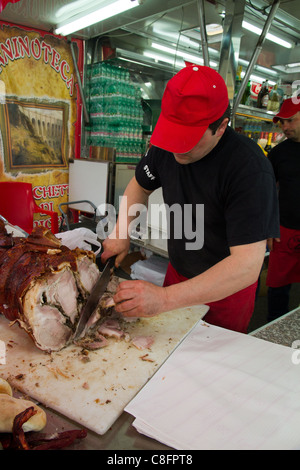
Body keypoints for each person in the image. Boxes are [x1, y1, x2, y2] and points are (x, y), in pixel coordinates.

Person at [102, 65, 280, 333]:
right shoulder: (165, 148)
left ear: (221, 127)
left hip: (225, 291)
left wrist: (163, 299)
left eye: (186, 139)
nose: (175, 148)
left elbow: (246, 265)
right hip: (178, 273)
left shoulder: (249, 168)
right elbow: (140, 185)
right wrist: (121, 232)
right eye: (171, 134)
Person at [266, 97, 300, 321]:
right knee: (278, 287)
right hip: (284, 230)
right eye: (282, 122)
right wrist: (268, 227)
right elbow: (265, 192)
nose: (285, 126)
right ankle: (273, 327)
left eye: (290, 120)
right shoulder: (279, 153)